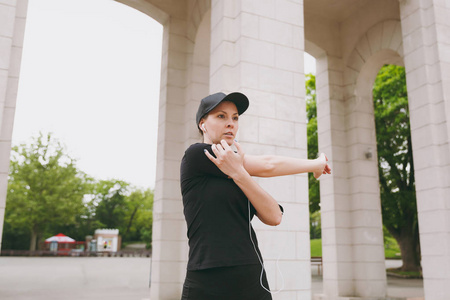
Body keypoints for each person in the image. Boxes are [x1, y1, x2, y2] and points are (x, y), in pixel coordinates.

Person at [180, 92, 331, 300]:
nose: (231, 123)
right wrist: (315, 164)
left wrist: (240, 174)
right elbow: (268, 164)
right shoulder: (197, 155)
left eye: (235, 118)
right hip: (207, 277)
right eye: (221, 116)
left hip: (250, 275)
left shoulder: (237, 171)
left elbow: (275, 217)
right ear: (203, 124)